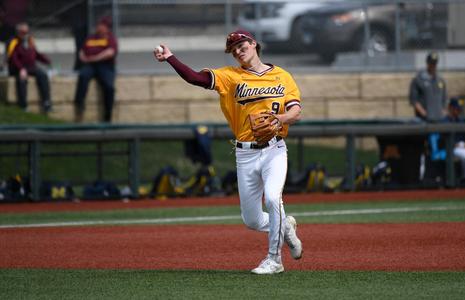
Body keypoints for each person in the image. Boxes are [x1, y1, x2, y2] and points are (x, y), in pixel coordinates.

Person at [154, 29, 303, 275]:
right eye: (233, 49)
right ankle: (285, 227)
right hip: (245, 153)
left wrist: (280, 119)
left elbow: (296, 111)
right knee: (252, 220)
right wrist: (171, 58)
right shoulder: (230, 77)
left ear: (253, 44)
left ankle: (274, 260)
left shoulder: (282, 76)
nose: (237, 51)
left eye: (241, 45)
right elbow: (195, 78)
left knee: (274, 198)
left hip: (275, 149)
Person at [74, 16, 117, 123]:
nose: (99, 27)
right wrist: (83, 57)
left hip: (104, 66)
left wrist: (94, 58)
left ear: (106, 28)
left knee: (109, 86)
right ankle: (79, 103)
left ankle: (108, 114)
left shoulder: (110, 38)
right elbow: (82, 50)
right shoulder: (91, 37)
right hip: (90, 65)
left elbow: (110, 53)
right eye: (98, 25)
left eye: (101, 25)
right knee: (83, 76)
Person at [6, 22, 52, 112]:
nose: (25, 34)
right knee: (22, 80)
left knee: (43, 75)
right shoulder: (13, 42)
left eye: (26, 32)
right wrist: (21, 69)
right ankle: (23, 105)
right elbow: (13, 58)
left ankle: (46, 102)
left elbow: (36, 54)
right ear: (18, 32)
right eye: (23, 32)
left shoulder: (30, 41)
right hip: (17, 68)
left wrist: (46, 60)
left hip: (31, 67)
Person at [409, 52, 447, 122]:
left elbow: (444, 99)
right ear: (427, 63)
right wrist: (424, 113)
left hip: (439, 119)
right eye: (431, 63)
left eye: (435, 63)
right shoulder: (419, 79)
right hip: (423, 120)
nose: (433, 65)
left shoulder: (440, 80)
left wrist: (443, 112)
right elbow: (414, 100)